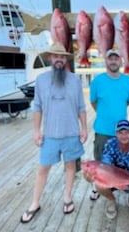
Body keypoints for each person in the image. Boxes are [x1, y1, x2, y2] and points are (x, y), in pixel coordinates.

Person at [20, 42, 87, 223]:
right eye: (56, 56)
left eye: (62, 56)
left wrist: (84, 128)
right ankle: (35, 202)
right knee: (43, 169)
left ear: (65, 59)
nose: (59, 59)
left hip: (71, 133)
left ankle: (67, 197)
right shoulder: (41, 80)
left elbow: (81, 107)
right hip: (49, 134)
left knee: (71, 166)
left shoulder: (75, 79)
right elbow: (37, 107)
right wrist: (36, 131)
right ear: (50, 58)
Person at [89, 49, 129, 200]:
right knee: (101, 163)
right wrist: (104, 115)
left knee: (123, 163)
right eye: (110, 59)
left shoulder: (127, 81)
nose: (113, 62)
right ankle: (99, 188)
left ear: (121, 61)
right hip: (102, 129)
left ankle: (125, 187)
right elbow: (93, 102)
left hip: (122, 132)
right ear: (106, 61)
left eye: (116, 59)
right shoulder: (97, 81)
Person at [83, 119, 129, 219]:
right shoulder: (110, 144)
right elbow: (105, 165)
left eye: (127, 132)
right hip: (113, 179)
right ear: (116, 134)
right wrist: (93, 177)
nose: (124, 136)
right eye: (120, 132)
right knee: (98, 185)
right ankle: (111, 200)